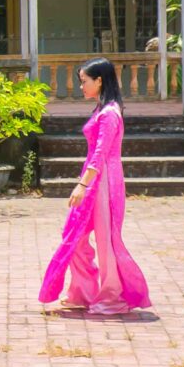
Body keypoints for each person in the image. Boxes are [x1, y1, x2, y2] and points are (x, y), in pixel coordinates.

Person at [39, 58, 151, 314]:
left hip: (104, 182)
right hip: (94, 180)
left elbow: (101, 152)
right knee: (74, 237)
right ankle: (84, 291)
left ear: (99, 80)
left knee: (105, 239)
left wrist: (82, 185)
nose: (82, 87)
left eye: (84, 81)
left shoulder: (110, 113)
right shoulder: (102, 109)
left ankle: (112, 296)